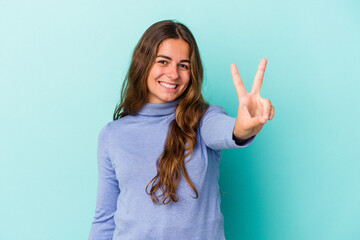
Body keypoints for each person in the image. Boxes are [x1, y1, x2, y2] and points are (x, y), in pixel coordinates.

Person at [88, 20, 274, 240]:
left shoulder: (204, 119)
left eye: (183, 65)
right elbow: (105, 218)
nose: (173, 74)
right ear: (143, 63)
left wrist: (242, 127)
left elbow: (225, 130)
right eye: (163, 61)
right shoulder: (113, 135)